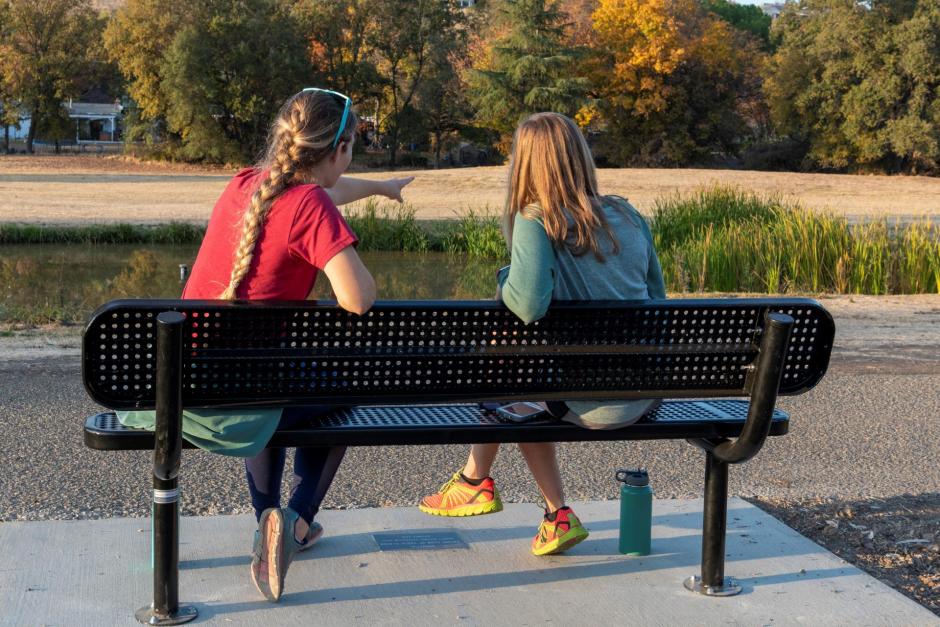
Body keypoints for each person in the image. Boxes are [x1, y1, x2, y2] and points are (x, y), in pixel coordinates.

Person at [116, 88, 413, 602]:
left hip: (180, 380)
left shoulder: (245, 185)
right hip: (247, 388)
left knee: (279, 387)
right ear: (339, 149)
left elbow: (317, 193)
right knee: (338, 400)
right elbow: (358, 298)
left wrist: (382, 187)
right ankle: (294, 523)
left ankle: (265, 520)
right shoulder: (311, 205)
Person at [419, 112, 665, 556]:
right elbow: (658, 305)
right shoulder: (629, 215)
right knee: (518, 370)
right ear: (580, 157)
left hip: (589, 402)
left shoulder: (536, 219)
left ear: (525, 164)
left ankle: (486, 485)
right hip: (645, 394)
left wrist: (506, 275)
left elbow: (528, 304)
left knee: (512, 372)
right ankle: (536, 508)